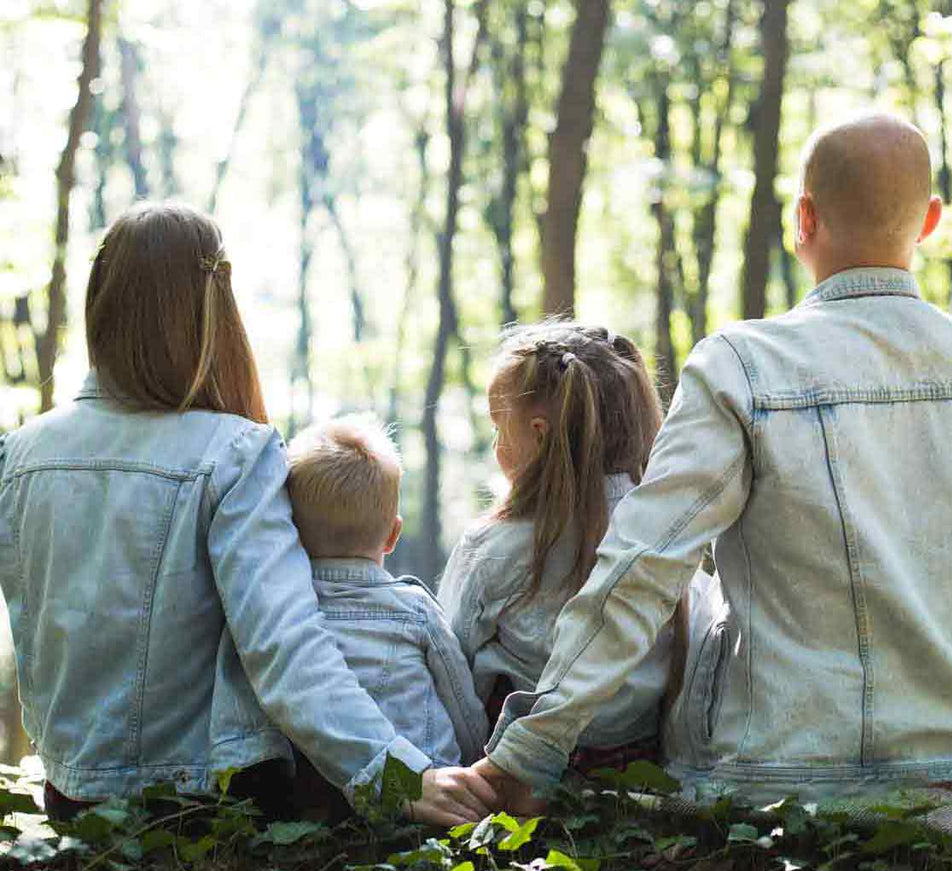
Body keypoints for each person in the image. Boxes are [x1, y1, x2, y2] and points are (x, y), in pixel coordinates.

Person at [472, 114, 952, 808]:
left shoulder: (743, 366)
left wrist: (531, 749)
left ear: (803, 219)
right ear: (933, 221)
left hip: (776, 785)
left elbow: (642, 566)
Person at [0, 202, 497, 825]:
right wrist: (398, 778)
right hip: (203, 809)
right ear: (212, 310)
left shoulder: (17, 453)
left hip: (71, 802)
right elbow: (284, 647)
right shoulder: (235, 452)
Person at [439, 321, 708, 772]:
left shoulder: (494, 547)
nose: (495, 444)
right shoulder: (667, 541)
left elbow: (451, 667)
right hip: (635, 771)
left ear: (540, 434)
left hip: (515, 774)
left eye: (498, 427)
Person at [285, 415, 488, 769]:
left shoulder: (282, 613)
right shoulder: (415, 610)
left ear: (290, 532)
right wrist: (474, 763)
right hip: (427, 785)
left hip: (323, 797)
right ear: (393, 536)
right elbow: (462, 705)